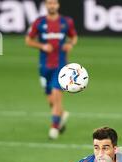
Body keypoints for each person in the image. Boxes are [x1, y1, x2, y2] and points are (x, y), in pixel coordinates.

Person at [25, 0, 78, 140]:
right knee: (51, 99)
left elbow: (74, 37)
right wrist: (42, 46)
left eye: (54, 3)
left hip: (60, 66)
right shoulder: (39, 22)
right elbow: (28, 40)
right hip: (44, 67)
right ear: (46, 5)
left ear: (58, 5)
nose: (52, 5)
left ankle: (54, 127)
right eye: (49, 3)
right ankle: (61, 114)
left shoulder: (66, 22)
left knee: (56, 95)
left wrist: (70, 44)